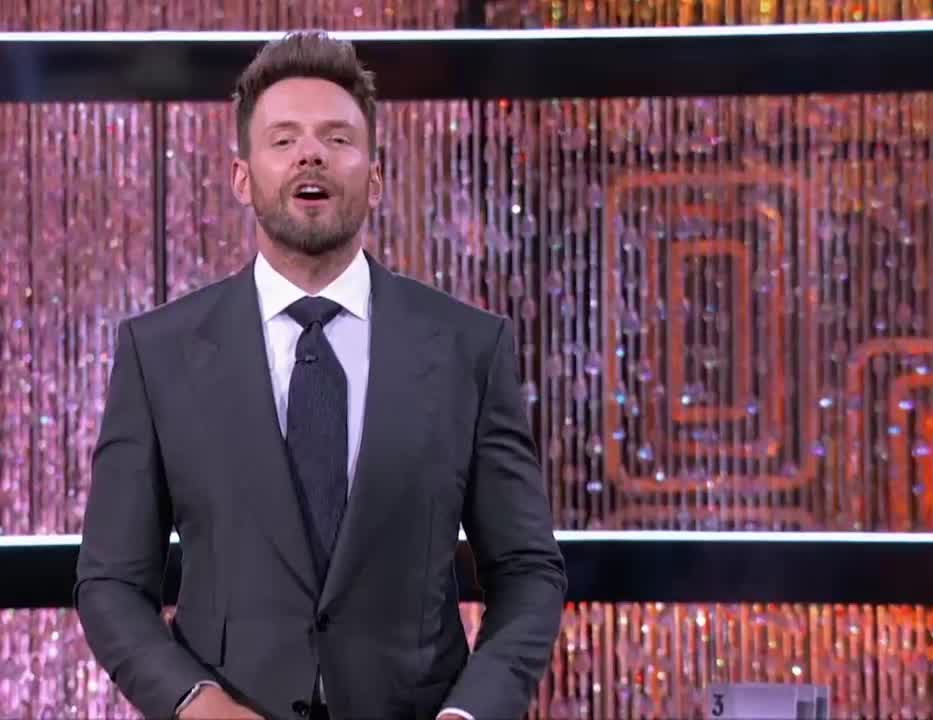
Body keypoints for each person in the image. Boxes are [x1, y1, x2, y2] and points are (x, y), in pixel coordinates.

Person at [74, 30, 567, 720]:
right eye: (284, 140)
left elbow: (528, 572)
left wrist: (471, 714)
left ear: (374, 175)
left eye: (337, 139)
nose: (310, 153)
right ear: (243, 177)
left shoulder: (469, 348)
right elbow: (109, 584)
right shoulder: (158, 352)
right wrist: (196, 704)